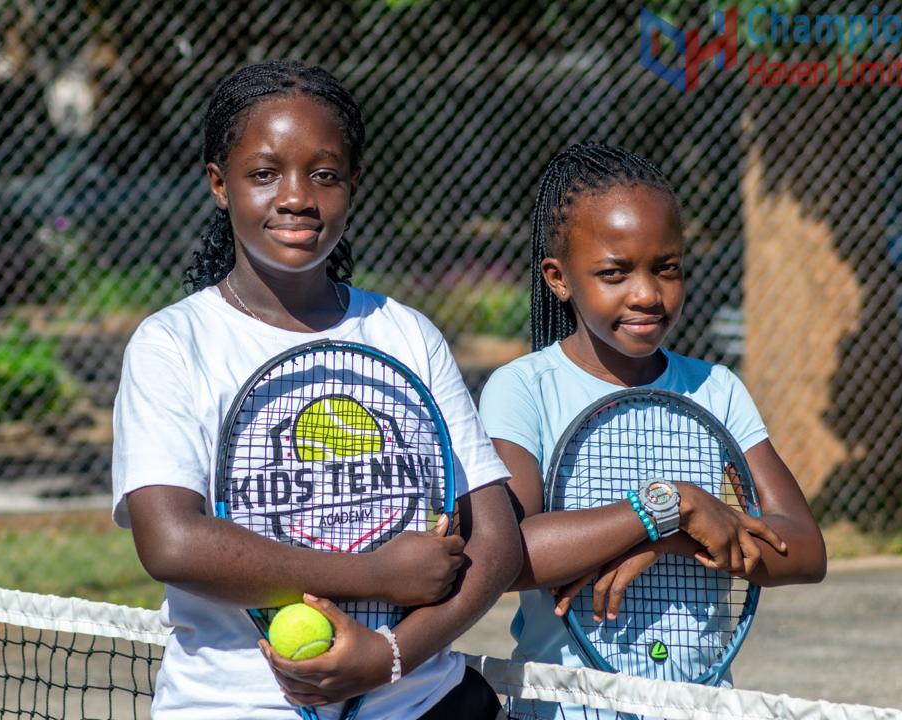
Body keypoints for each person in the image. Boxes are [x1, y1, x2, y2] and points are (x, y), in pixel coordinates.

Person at [111, 60, 521, 720]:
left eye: (324, 174)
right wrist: (372, 577)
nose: (296, 195)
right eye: (264, 172)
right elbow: (172, 543)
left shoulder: (405, 333)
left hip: (422, 699)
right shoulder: (174, 345)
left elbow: (496, 541)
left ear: (353, 186)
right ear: (220, 184)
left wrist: (389, 656)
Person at [478, 142, 827, 719]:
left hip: (700, 705)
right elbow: (510, 556)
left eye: (666, 268)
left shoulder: (716, 389)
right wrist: (669, 507)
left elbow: (806, 551)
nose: (646, 293)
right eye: (614, 272)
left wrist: (671, 537)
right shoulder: (524, 388)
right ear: (558, 278)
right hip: (565, 708)